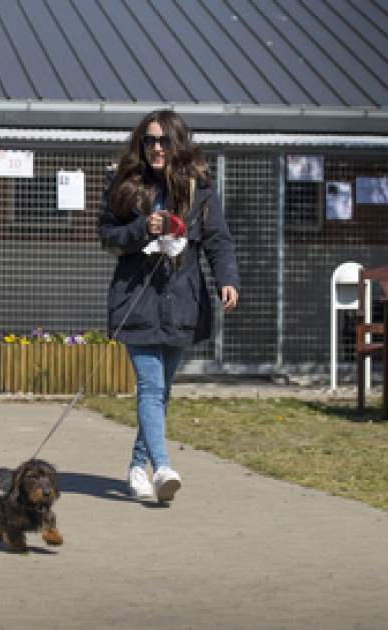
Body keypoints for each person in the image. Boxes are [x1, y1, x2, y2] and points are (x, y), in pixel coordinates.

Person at [97, 109, 239, 503]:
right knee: (151, 385)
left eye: (163, 140)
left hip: (183, 299)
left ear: (178, 143)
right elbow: (108, 236)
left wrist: (228, 279)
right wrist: (144, 227)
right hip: (137, 298)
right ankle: (161, 467)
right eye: (149, 140)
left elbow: (218, 241)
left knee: (161, 393)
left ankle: (135, 467)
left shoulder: (200, 189)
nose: (156, 148)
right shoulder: (124, 184)